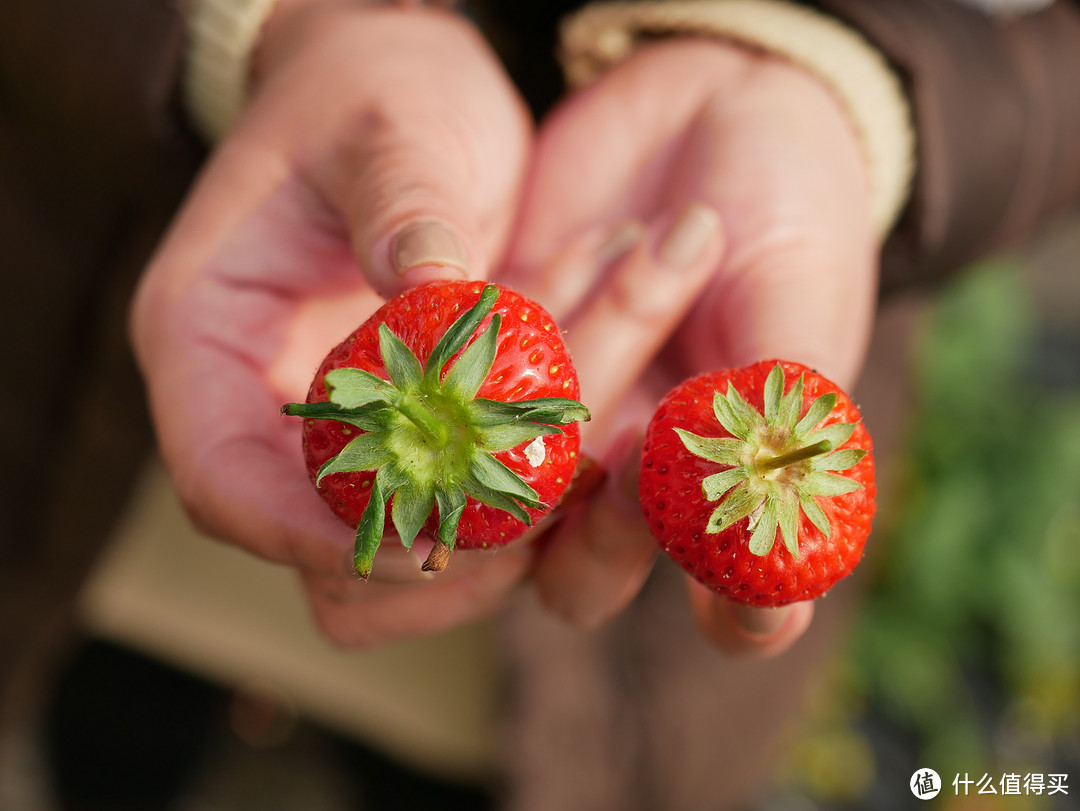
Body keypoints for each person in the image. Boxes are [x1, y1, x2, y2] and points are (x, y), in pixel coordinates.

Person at [3, 0, 1080, 809]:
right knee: (118, 699)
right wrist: (268, 19)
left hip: (587, 599)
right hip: (129, 352)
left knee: (476, 770)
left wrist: (846, 93)